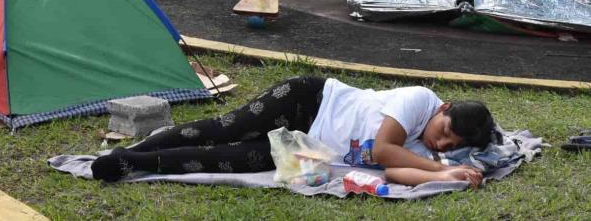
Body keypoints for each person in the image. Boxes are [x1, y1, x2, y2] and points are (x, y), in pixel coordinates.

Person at [91, 75, 495, 188]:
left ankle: (133, 162)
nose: (438, 142)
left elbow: (394, 173)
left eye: (449, 146)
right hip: (311, 101)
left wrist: (443, 172)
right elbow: (386, 152)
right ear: (443, 109)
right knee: (223, 128)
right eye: (444, 131)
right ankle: (147, 144)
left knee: (231, 160)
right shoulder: (420, 101)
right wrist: (439, 169)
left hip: (312, 149)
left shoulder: (426, 153)